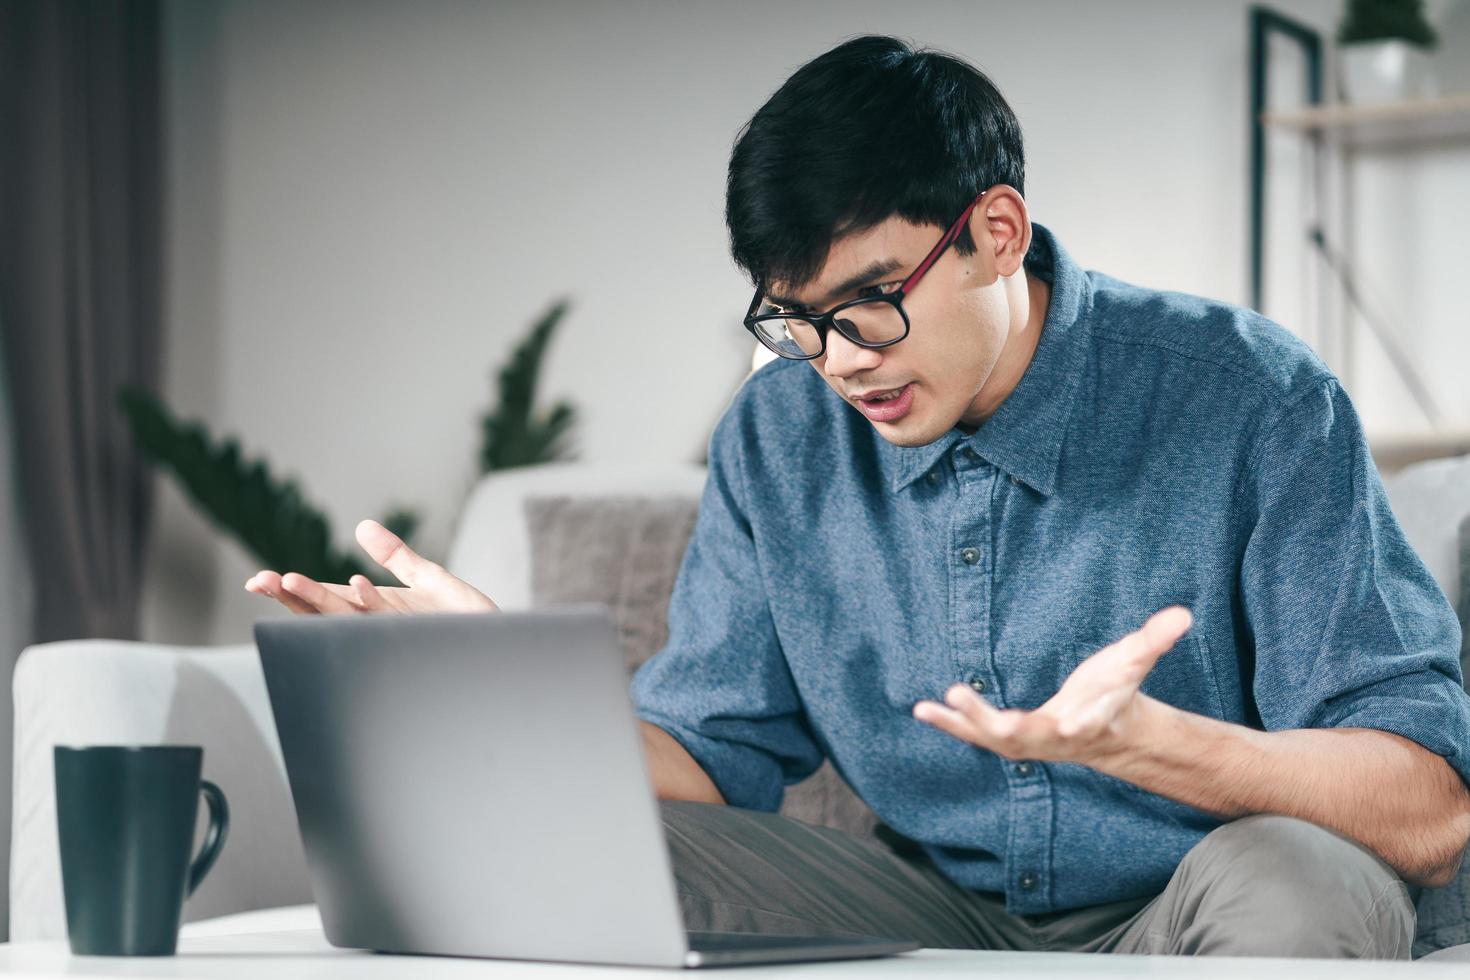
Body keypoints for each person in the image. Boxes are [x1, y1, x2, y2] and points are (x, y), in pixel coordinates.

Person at [246, 34, 1470, 959]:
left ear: (997, 230)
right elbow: (708, 764)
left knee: (1302, 879)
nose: (841, 362)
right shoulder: (779, 437)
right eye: (797, 323)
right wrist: (505, 684)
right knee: (556, 853)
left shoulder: (1251, 397)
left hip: (1200, 889)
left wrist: (1163, 746)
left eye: (869, 302)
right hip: (933, 908)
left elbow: (1426, 809)